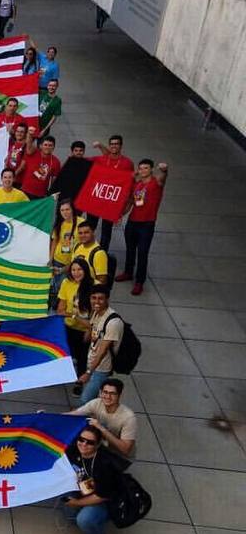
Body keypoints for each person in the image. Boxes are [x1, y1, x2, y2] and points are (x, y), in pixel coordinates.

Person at [63, 424, 118, 534]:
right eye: (81, 439)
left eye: (90, 442)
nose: (84, 444)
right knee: (62, 494)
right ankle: (75, 516)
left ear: (98, 444)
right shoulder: (73, 450)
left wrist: (76, 502)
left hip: (104, 500)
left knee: (85, 520)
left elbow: (102, 496)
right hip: (81, 490)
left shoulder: (105, 464)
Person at [116, 159, 168, 296]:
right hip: (132, 222)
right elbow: (131, 202)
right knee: (130, 249)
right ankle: (128, 272)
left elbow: (163, 178)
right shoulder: (137, 185)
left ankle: (139, 281)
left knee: (143, 253)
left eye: (146, 168)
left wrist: (164, 170)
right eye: (140, 168)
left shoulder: (156, 183)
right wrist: (120, 215)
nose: (142, 171)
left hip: (147, 224)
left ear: (151, 169)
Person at [67, 378, 137, 458]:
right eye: (105, 392)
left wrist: (101, 428)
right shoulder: (97, 403)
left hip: (118, 455)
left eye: (112, 393)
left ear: (119, 395)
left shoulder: (129, 417)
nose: (108, 396)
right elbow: (73, 414)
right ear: (100, 392)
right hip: (99, 448)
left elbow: (125, 449)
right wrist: (51, 418)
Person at [78, 286, 123, 405]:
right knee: (91, 402)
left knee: (85, 401)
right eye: (93, 298)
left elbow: (102, 351)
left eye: (100, 299)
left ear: (107, 299)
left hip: (101, 369)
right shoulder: (97, 313)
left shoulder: (113, 322)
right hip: (92, 363)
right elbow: (91, 333)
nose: (96, 302)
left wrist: (88, 372)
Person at [56, 258, 93, 383]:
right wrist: (74, 316)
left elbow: (97, 315)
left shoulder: (94, 285)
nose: (76, 273)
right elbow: (60, 310)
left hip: (86, 330)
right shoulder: (66, 282)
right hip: (69, 326)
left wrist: (89, 329)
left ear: (86, 271)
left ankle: (80, 382)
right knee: (64, 352)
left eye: (79, 269)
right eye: (73, 270)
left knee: (83, 357)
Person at [50, 199, 83, 298]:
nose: (65, 212)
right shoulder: (59, 224)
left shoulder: (81, 223)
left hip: (74, 263)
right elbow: (54, 242)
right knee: (58, 287)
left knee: (71, 288)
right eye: (62, 210)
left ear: (72, 209)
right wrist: (50, 259)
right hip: (58, 260)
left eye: (67, 209)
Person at [22, 131, 61, 199]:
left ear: (53, 147)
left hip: (40, 195)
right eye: (45, 145)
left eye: (50, 145)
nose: (47, 147)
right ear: (40, 146)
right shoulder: (33, 153)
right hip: (25, 191)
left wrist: (50, 194)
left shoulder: (56, 162)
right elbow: (29, 143)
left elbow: (54, 180)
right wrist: (30, 134)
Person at [71, 220, 109, 284]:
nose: (83, 235)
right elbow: (71, 264)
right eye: (80, 233)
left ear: (93, 232)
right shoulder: (77, 245)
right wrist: (60, 270)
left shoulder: (99, 253)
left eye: (86, 232)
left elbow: (102, 281)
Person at [3, 121, 28, 186]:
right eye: (17, 131)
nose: (19, 133)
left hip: (17, 181)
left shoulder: (26, 146)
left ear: (25, 134)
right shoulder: (14, 143)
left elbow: (22, 166)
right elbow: (7, 158)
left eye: (22, 132)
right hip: (9, 179)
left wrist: (12, 176)